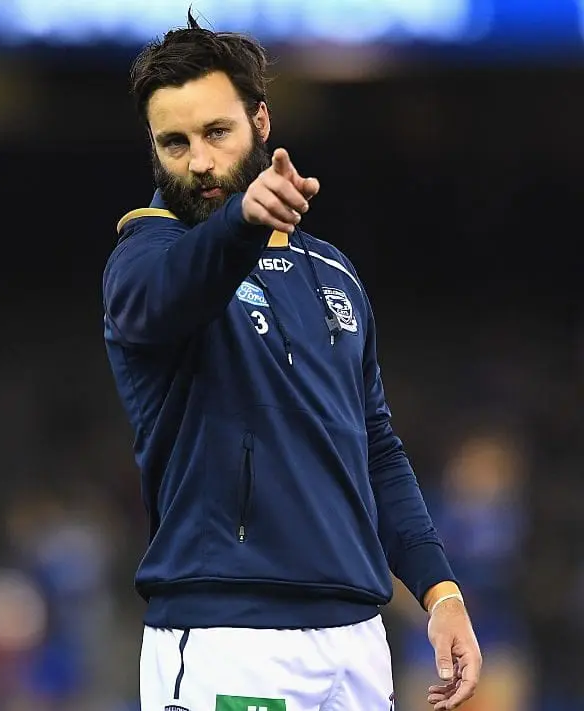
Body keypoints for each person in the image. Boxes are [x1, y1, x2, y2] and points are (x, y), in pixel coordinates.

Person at [101, 14, 481, 711]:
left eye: (217, 132)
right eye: (174, 143)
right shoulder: (145, 258)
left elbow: (377, 449)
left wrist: (440, 591)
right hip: (228, 638)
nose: (200, 161)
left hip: (356, 639)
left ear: (261, 122)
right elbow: (172, 291)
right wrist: (243, 219)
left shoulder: (333, 271)